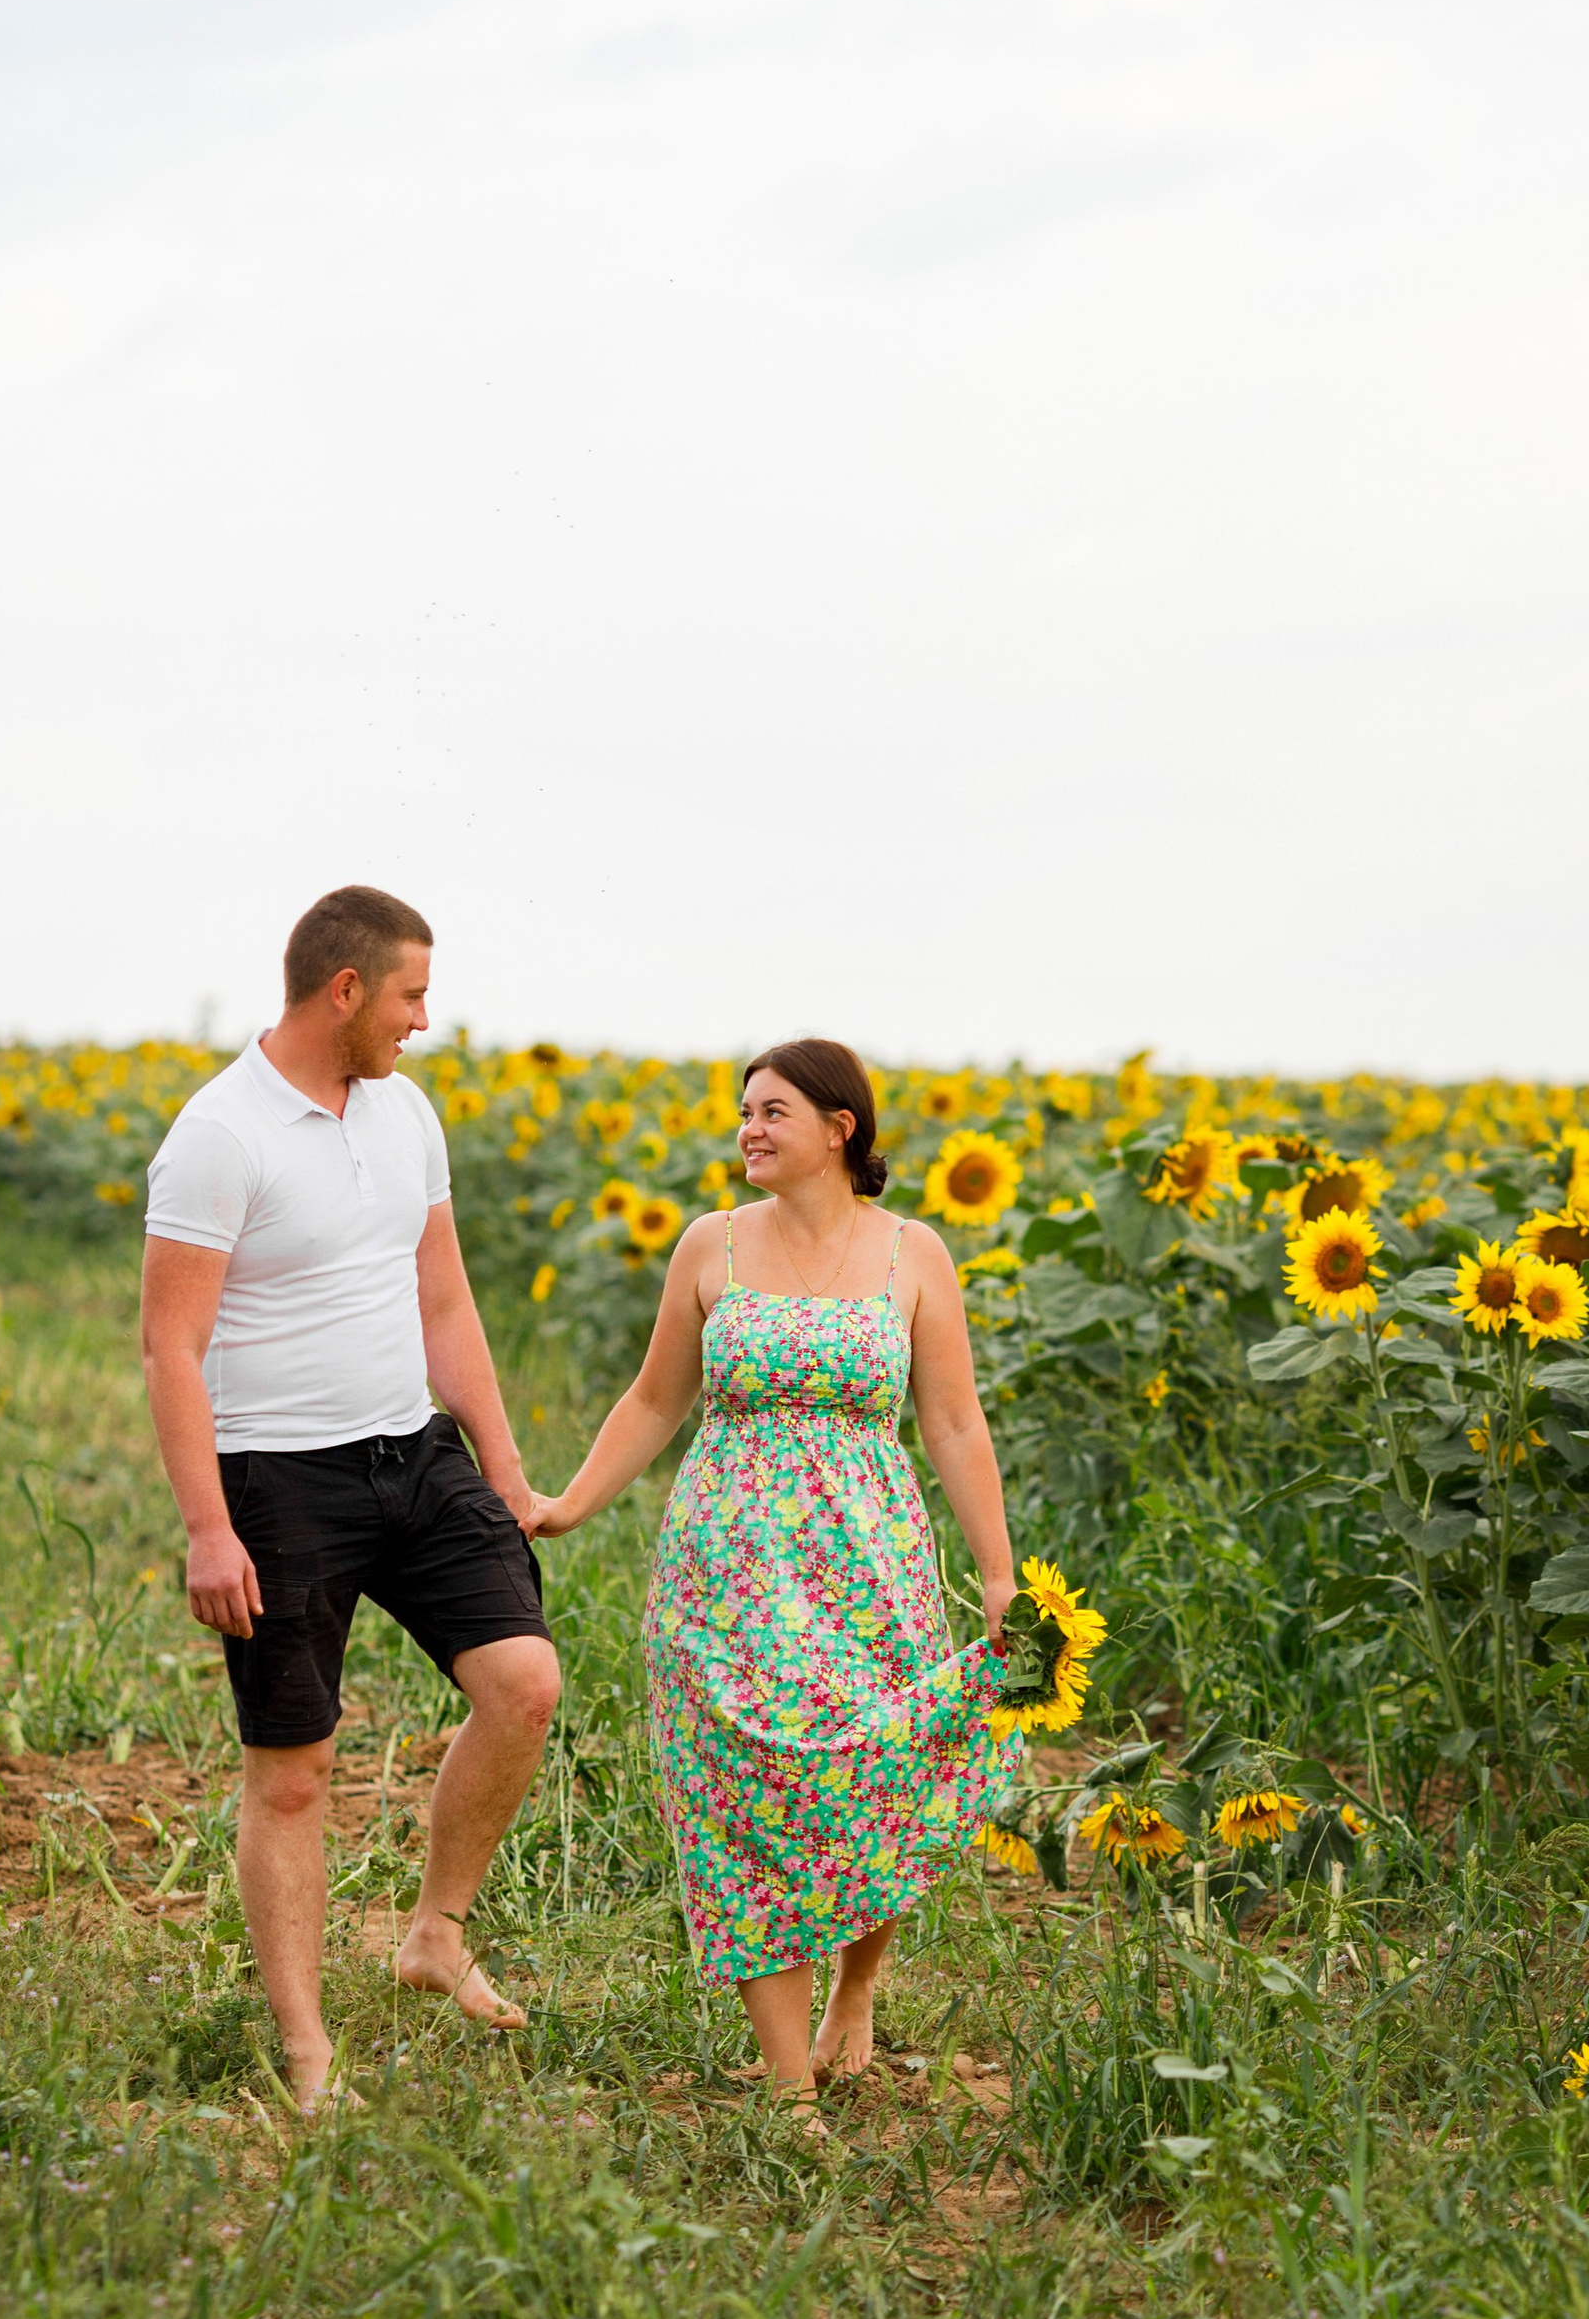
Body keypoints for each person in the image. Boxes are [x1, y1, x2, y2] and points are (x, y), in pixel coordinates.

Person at [528, 1039, 1012, 2117]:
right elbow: (654, 1400)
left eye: (773, 1110)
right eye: (744, 1111)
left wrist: (995, 1570)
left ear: (841, 1127)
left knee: (877, 1767)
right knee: (742, 1792)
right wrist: (570, 1501)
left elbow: (952, 1419)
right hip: (726, 1565)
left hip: (869, 1559)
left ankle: (856, 1997)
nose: (749, 1128)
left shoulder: (913, 1254)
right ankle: (788, 2089)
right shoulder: (712, 1247)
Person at [140, 885, 562, 2115]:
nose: (423, 1020)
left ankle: (435, 1931)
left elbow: (443, 1298)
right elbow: (172, 1347)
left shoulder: (406, 1111)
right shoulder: (221, 1135)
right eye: (411, 995)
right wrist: (209, 1527)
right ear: (345, 992)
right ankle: (309, 2048)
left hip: (412, 1459)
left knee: (523, 1684)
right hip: (278, 1478)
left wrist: (500, 1460)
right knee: (294, 1769)